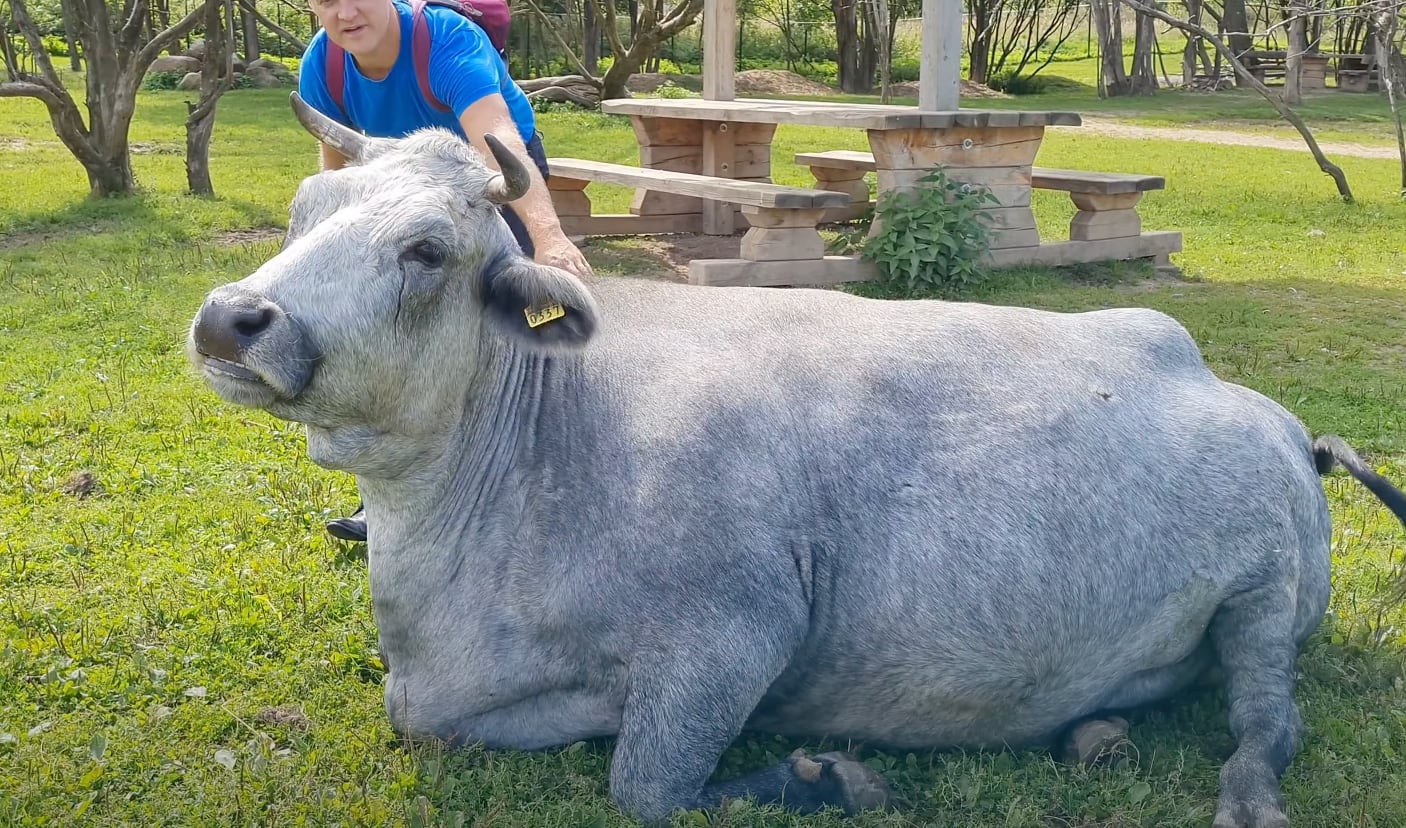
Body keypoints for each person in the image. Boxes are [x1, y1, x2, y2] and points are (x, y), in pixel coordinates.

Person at [297, 0, 593, 542]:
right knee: (383, 337)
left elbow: (496, 138)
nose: (344, 13)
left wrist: (548, 240)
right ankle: (382, 498)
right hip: (398, 204)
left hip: (492, 184)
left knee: (518, 334)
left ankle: (544, 475)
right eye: (325, 2)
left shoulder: (447, 41)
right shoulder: (325, 63)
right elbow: (336, 170)